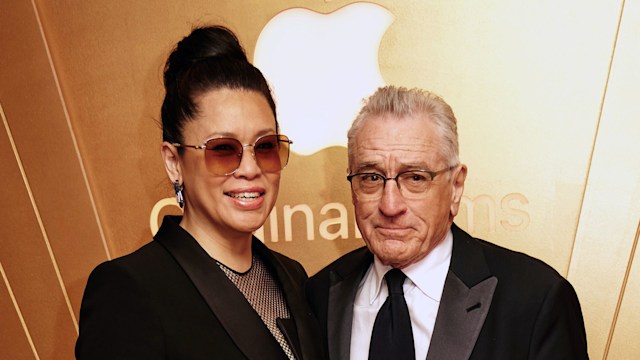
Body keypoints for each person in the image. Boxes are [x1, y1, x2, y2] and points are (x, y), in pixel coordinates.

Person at [76, 25, 323, 359]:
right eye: (222, 149)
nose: (250, 168)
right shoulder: (129, 290)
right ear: (174, 161)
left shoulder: (293, 276)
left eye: (265, 147)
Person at [305, 86, 589, 359]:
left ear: (455, 186)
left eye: (415, 178)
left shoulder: (535, 301)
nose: (390, 205)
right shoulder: (318, 298)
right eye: (371, 177)